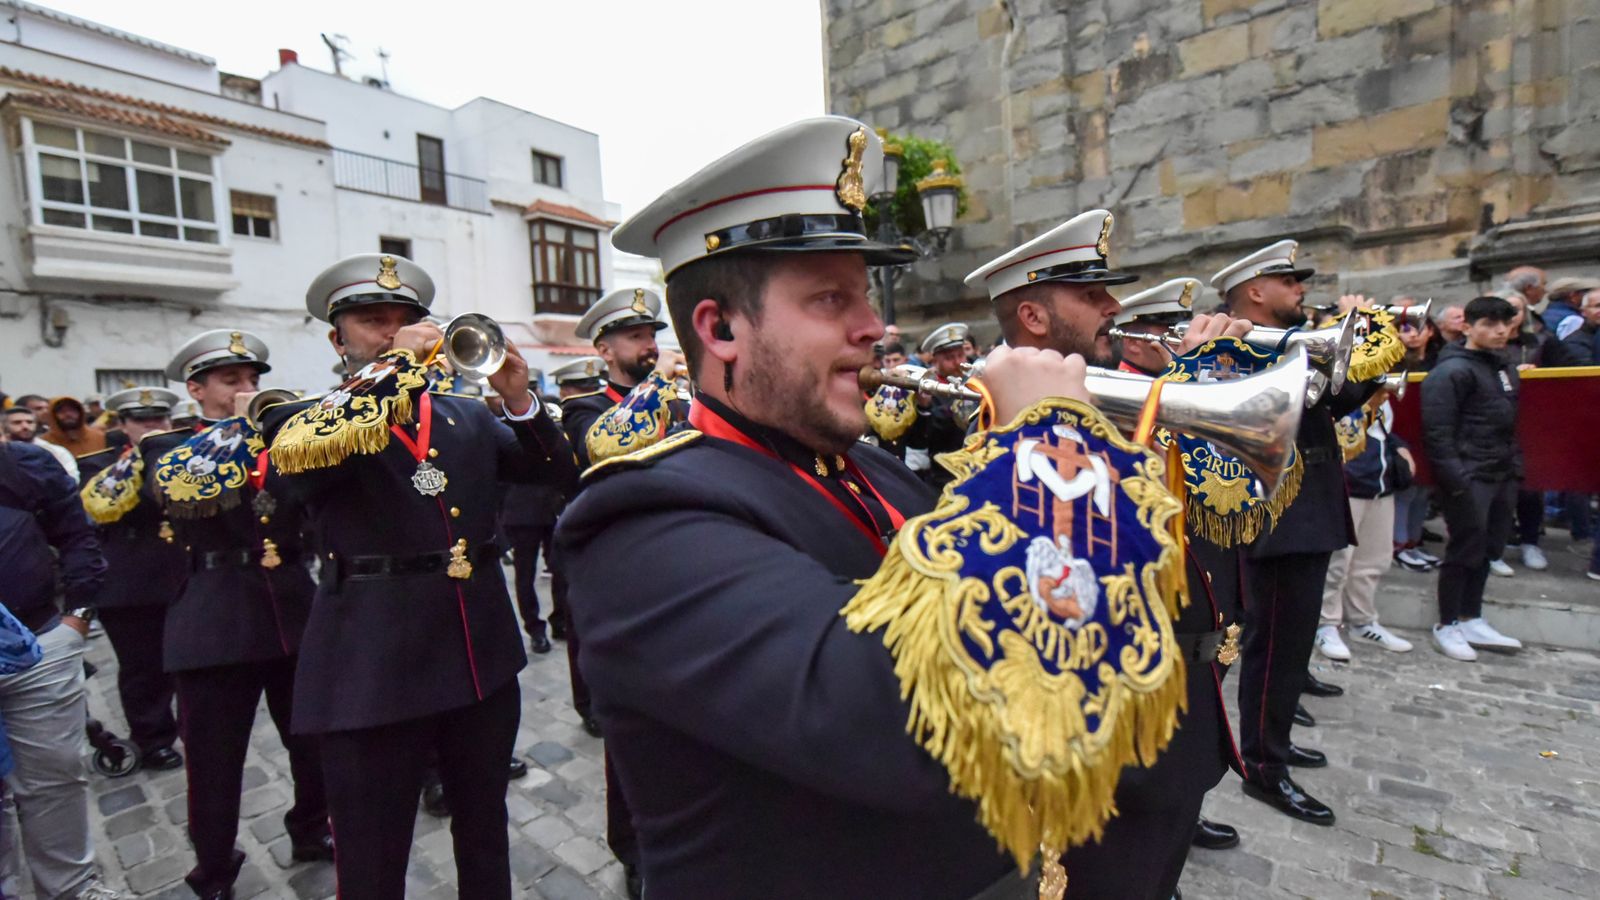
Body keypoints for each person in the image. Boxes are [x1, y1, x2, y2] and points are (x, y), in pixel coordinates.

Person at [561, 115, 1111, 900]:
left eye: (864, 294)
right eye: (829, 298)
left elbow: (1043, 608)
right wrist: (1052, 450)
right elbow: (907, 723)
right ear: (719, 330)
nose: (873, 326)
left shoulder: (873, 469)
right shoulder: (644, 523)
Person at [260, 253, 577, 900]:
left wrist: (520, 398)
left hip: (475, 651)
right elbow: (296, 478)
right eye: (374, 321)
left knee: (485, 831)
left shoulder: (465, 414)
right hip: (371, 667)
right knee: (373, 855)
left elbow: (553, 472)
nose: (395, 330)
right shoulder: (305, 419)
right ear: (337, 338)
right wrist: (394, 366)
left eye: (407, 321)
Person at [981, 255, 1247, 893]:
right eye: (1092, 295)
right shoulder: (1001, 418)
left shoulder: (1123, 398)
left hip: (1184, 698)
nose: (1113, 309)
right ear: (1033, 316)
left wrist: (1203, 391)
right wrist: (1189, 385)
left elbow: (1226, 507)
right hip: (1110, 731)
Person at [143, 330, 332, 899]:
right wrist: (242, 428)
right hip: (214, 617)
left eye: (253, 381)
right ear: (196, 389)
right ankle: (214, 867)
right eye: (231, 382)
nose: (247, 390)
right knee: (214, 759)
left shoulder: (281, 437)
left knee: (312, 741)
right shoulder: (167, 447)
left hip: (291, 605)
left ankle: (310, 826)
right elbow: (178, 490)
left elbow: (306, 489)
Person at [1213, 239, 1375, 827]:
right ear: (1256, 291)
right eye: (1290, 282)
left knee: (1289, 649)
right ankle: (1262, 761)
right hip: (1276, 520)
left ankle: (1270, 743)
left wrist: (1369, 344)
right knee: (1273, 649)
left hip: (1305, 515)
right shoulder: (1244, 350)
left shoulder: (1290, 344)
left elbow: (1344, 395)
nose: (1301, 290)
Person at [558, 291, 684, 898]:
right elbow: (609, 441)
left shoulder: (678, 399)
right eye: (633, 337)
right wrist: (660, 383)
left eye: (651, 333)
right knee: (629, 722)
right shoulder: (582, 407)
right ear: (604, 350)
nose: (648, 344)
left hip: (678, 565)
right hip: (618, 575)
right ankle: (631, 847)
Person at [0, 428, 118, 900]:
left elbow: (77, 537)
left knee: (55, 779)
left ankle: (72, 890)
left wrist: (76, 622)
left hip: (40, 648)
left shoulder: (25, 466)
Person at [74, 387, 187, 772]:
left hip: (182, 573)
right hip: (130, 582)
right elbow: (139, 498)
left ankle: (195, 731)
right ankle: (152, 739)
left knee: (191, 663)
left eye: (160, 419)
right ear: (123, 425)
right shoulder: (100, 465)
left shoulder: (185, 454)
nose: (154, 426)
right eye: (143, 420)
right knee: (143, 669)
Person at [1420, 295, 1527, 661]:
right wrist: (1458, 480)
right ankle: (1447, 623)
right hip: (1469, 475)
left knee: (1489, 549)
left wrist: (1514, 469)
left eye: (1505, 324)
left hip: (1500, 472)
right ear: (1468, 327)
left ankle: (1470, 616)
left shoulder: (1503, 366)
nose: (1500, 331)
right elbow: (1437, 433)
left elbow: (1507, 424)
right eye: (1490, 324)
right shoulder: (1452, 371)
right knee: (1464, 549)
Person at [1318, 391, 1416, 659]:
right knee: (1337, 562)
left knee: (1372, 561)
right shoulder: (1339, 388)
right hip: (1348, 483)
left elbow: (1379, 431)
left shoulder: (1378, 391)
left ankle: (1362, 620)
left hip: (1379, 483)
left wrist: (1398, 446)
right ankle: (1325, 623)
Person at [904, 322, 972, 490]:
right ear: (935, 360)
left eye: (960, 355)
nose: (958, 362)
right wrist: (924, 407)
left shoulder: (976, 382)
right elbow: (920, 440)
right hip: (943, 477)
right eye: (949, 358)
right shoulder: (926, 389)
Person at [2, 407, 78, 480]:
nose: (25, 426)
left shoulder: (56, 451)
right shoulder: (3, 452)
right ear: (3, 426)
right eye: (17, 423)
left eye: (29, 422)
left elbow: (71, 479)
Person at [39, 398, 107, 459]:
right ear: (53, 415)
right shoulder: (43, 443)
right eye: (61, 411)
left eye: (72, 410)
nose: (68, 414)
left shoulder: (100, 436)